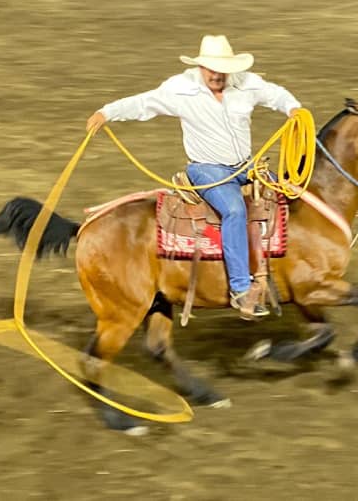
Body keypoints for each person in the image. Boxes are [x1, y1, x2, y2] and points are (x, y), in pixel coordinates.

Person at [86, 35, 303, 319]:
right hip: (207, 170)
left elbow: (276, 94)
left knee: (288, 191)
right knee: (235, 210)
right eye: (211, 69)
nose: (216, 75)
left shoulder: (245, 84)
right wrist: (107, 113)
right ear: (201, 67)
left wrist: (294, 108)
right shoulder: (181, 89)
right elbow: (144, 103)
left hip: (244, 166)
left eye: (221, 70)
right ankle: (240, 289)